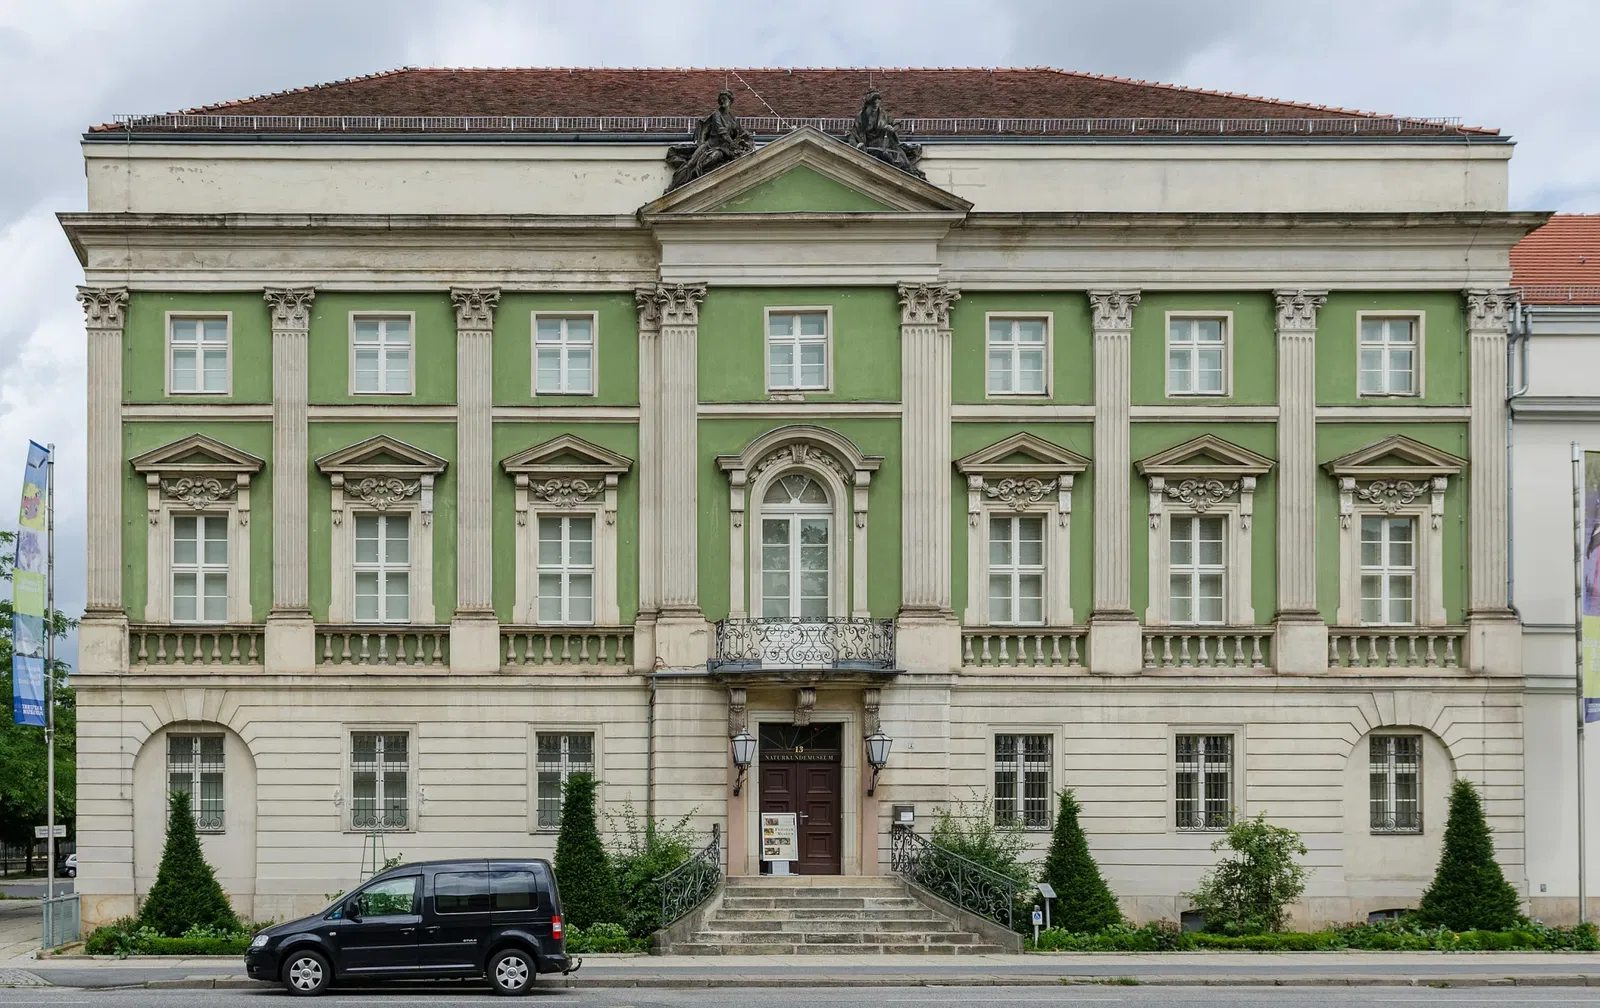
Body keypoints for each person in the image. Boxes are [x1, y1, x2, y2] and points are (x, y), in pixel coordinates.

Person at [666, 89, 755, 190]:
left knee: (716, 156)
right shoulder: (716, 115)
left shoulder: (733, 120)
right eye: (720, 99)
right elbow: (723, 133)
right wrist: (733, 144)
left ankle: (699, 172)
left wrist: (748, 141)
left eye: (724, 99)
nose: (722, 101)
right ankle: (671, 188)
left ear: (730, 101)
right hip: (709, 145)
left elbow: (742, 133)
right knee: (691, 163)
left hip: (723, 149)